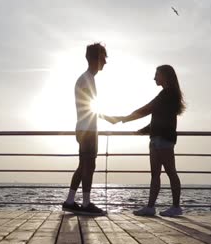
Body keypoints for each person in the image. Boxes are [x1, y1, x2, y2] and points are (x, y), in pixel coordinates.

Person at [112, 64, 186, 217]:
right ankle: (151, 206)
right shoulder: (166, 94)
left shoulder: (168, 94)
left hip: (164, 139)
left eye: (156, 74)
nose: (154, 78)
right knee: (155, 174)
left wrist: (123, 119)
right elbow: (157, 118)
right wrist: (142, 131)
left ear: (164, 76)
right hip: (156, 139)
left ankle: (176, 207)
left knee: (171, 172)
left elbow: (147, 109)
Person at [62, 42, 110, 216]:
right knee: (88, 165)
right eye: (103, 57)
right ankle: (86, 203)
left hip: (86, 128)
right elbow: (89, 106)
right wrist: (109, 118)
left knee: (84, 165)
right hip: (87, 129)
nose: (105, 61)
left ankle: (69, 201)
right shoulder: (87, 79)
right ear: (96, 58)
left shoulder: (87, 78)